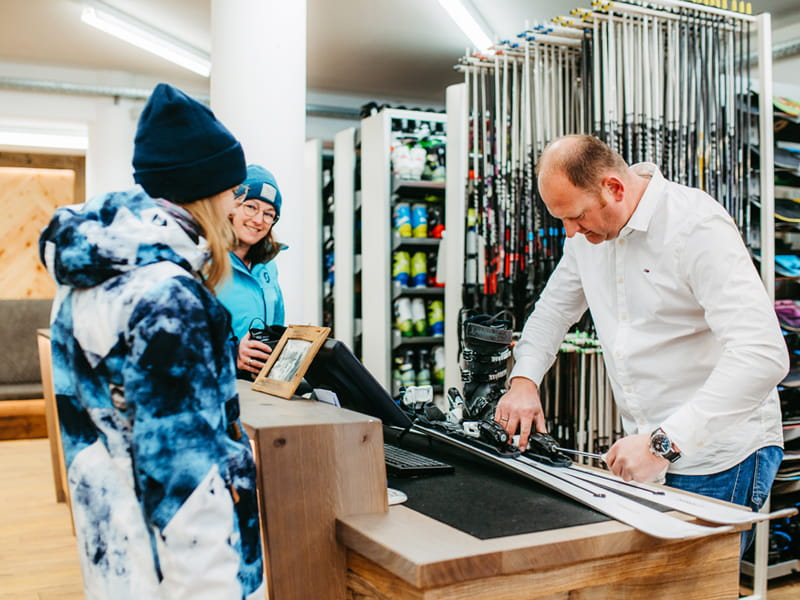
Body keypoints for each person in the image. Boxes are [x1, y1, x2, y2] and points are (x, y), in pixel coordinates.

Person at [494, 134, 787, 550]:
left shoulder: (695, 224)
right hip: (650, 449)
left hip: (722, 453)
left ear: (613, 188)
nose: (571, 233)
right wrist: (524, 381)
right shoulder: (586, 237)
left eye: (576, 217)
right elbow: (553, 312)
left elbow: (762, 356)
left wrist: (662, 444)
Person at [39, 83, 264, 599]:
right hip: (179, 571)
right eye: (233, 193)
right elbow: (185, 478)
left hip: (116, 546)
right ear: (205, 190)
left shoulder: (87, 278)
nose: (236, 209)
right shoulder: (171, 299)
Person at [216, 164, 285, 378]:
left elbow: (277, 325)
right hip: (219, 385)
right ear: (232, 208)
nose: (258, 220)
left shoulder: (267, 266)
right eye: (251, 207)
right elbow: (182, 339)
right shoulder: (206, 262)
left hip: (259, 385)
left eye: (269, 214)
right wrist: (232, 354)